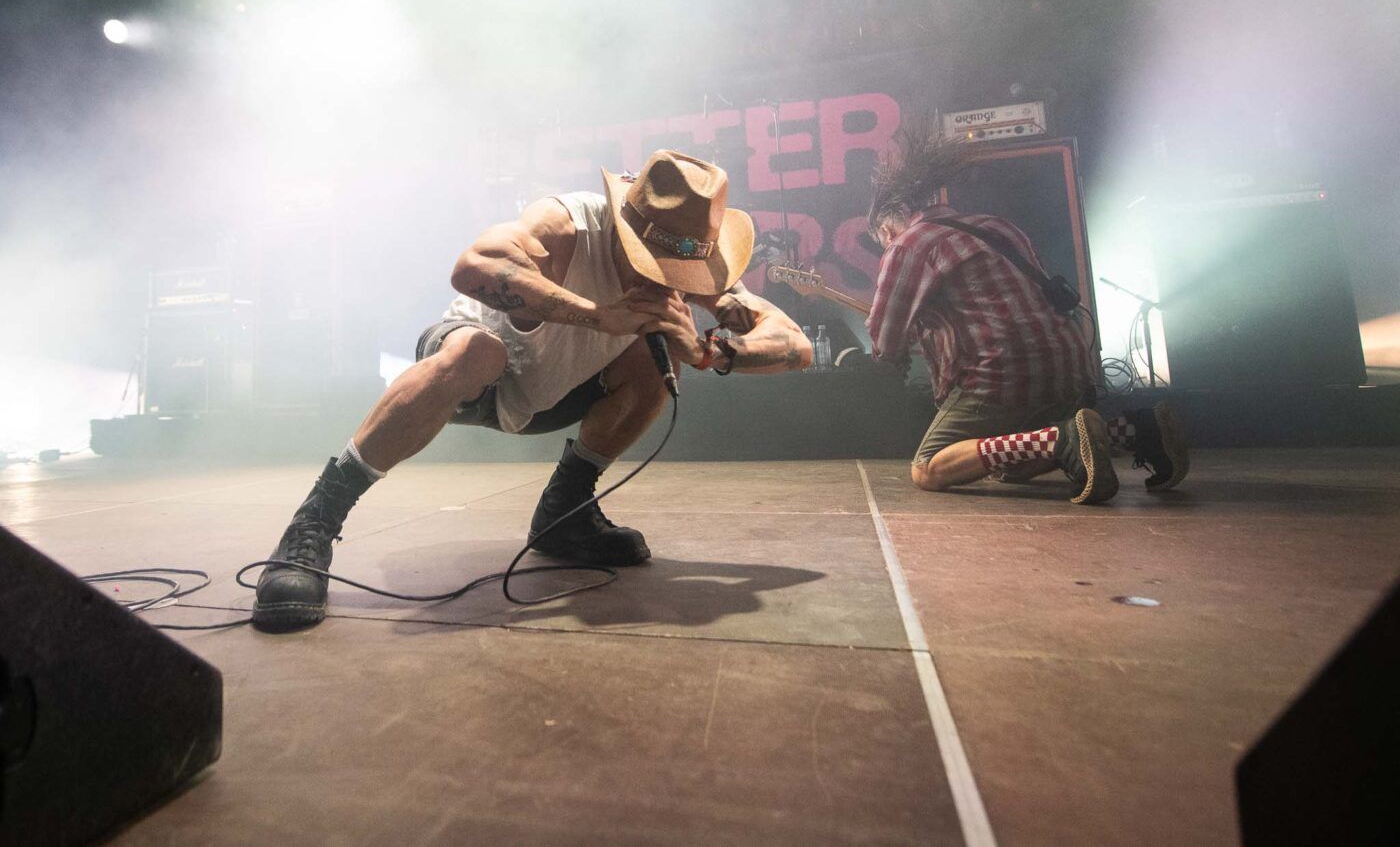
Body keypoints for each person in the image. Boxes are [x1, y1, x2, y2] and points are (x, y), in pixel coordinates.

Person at [252, 150, 812, 632]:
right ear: (624, 230)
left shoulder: (695, 260)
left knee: (654, 359)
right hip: (479, 372)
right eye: (653, 263)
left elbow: (795, 344)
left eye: (677, 270)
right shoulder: (565, 223)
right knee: (478, 352)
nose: (666, 279)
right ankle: (314, 522)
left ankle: (563, 516)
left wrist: (710, 351)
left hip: (558, 392)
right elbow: (473, 267)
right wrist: (600, 316)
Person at [864, 127, 1188, 504]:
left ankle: (1062, 438)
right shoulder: (994, 226)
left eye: (882, 241)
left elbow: (885, 341)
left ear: (887, 228)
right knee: (1011, 460)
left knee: (930, 467)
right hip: (1070, 365)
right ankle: (1139, 430)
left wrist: (893, 354)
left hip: (1003, 376)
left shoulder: (907, 246)